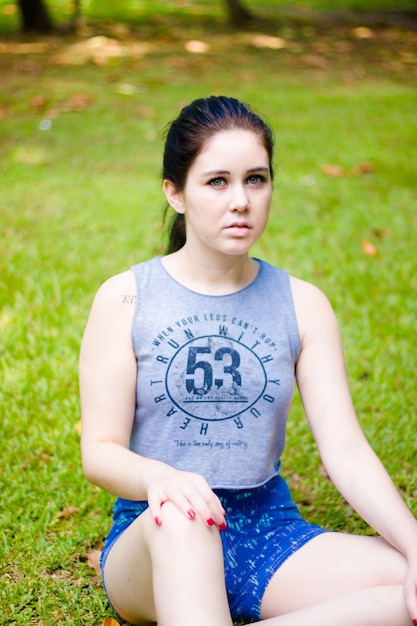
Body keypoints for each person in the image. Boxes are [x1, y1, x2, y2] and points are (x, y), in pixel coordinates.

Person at [79, 95, 417, 626]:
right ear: (175, 192)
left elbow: (345, 449)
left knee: (408, 591)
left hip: (269, 534)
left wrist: (415, 546)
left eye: (255, 179)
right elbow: (99, 451)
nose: (241, 200)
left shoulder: (302, 304)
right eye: (217, 181)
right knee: (186, 517)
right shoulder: (126, 298)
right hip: (160, 528)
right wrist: (162, 480)